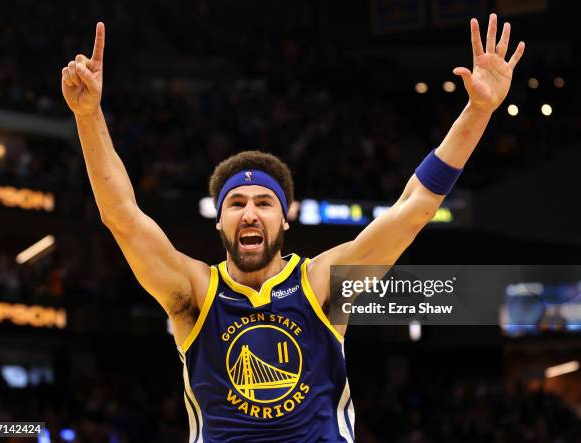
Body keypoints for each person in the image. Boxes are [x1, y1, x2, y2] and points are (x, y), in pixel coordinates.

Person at [61, 14, 524, 442]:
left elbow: (415, 206)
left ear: (284, 218)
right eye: (236, 203)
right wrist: (88, 116)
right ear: (219, 219)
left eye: (264, 202)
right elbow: (121, 215)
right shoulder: (193, 292)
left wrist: (478, 111)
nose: (249, 213)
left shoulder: (322, 282)